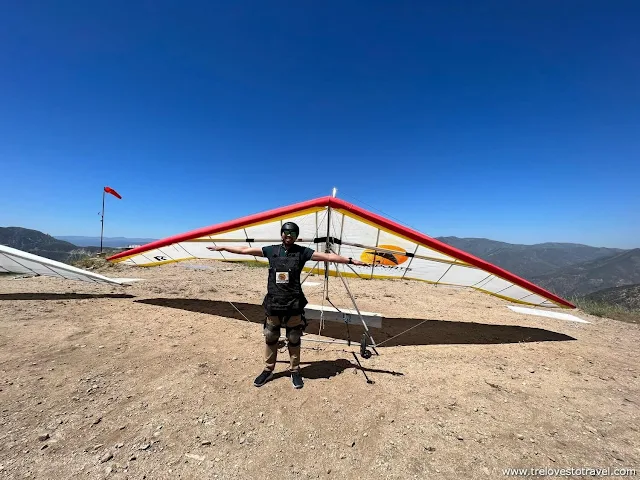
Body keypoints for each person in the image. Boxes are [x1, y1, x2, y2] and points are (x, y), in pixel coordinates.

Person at [207, 221, 367, 389]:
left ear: (296, 236)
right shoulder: (271, 250)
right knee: (271, 337)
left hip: (293, 304)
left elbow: (328, 256)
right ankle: (268, 369)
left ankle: (295, 371)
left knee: (294, 338)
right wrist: (223, 248)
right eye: (285, 233)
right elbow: (245, 250)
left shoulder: (302, 252)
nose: (288, 236)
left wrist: (350, 260)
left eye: (292, 234)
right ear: (281, 234)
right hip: (274, 303)